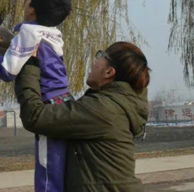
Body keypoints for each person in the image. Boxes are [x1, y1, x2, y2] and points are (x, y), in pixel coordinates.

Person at [0, 0, 72, 192]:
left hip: (47, 107)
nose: (25, 1)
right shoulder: (53, 33)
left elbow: (7, 71)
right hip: (64, 102)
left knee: (47, 169)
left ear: (32, 10)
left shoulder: (28, 33)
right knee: (60, 165)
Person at [16, 41, 150, 192]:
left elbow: (34, 116)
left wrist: (29, 64)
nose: (94, 61)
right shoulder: (116, 105)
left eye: (101, 56)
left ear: (109, 72)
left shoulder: (102, 109)